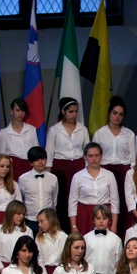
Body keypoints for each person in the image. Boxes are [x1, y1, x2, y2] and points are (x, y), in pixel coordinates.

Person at [93, 96, 137, 225]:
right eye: (114, 113)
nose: (117, 117)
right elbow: (93, 155)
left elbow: (133, 159)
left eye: (121, 114)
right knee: (106, 203)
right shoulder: (99, 133)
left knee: (123, 204)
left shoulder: (129, 134)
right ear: (109, 113)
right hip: (105, 171)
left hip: (124, 172)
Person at [46, 97, 90, 226]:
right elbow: (49, 153)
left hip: (78, 166)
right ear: (63, 111)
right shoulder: (54, 130)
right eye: (71, 111)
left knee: (77, 197)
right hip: (60, 168)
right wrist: (48, 174)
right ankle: (62, 226)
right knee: (62, 199)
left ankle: (76, 225)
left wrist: (87, 170)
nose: (74, 115)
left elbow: (87, 151)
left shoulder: (83, 129)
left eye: (76, 111)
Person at [68, 142, 120, 235]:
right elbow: (72, 202)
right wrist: (74, 225)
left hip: (104, 215)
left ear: (101, 156)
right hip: (85, 216)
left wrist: (114, 225)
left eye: (96, 155)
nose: (94, 159)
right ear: (85, 157)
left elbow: (115, 202)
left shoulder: (109, 175)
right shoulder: (78, 176)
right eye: (90, 156)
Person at [84, 205, 122, 274]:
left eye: (104, 218)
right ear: (93, 220)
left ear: (109, 220)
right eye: (98, 218)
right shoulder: (86, 238)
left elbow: (119, 262)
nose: (101, 221)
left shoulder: (116, 240)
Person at [18, 147, 58, 235]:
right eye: (37, 160)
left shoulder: (53, 178)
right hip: (30, 220)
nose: (40, 162)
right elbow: (21, 200)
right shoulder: (23, 179)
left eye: (43, 159)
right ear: (31, 162)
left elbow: (54, 200)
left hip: (48, 221)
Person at [0, 200, 32, 274]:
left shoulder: (27, 231)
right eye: (19, 213)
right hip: (2, 269)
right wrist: (3, 271)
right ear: (11, 213)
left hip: (21, 269)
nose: (21, 216)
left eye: (23, 214)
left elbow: (30, 251)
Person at [0, 98, 40, 179]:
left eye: (23, 111)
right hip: (13, 168)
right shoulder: (4, 132)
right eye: (17, 110)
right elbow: (2, 155)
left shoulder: (32, 129)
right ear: (11, 111)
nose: (20, 113)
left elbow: (36, 151)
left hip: (29, 166)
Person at [35, 207, 68, 274]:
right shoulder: (39, 238)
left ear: (50, 220)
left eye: (42, 221)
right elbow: (39, 260)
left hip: (60, 272)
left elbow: (66, 259)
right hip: (44, 272)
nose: (39, 225)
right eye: (38, 222)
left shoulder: (63, 237)